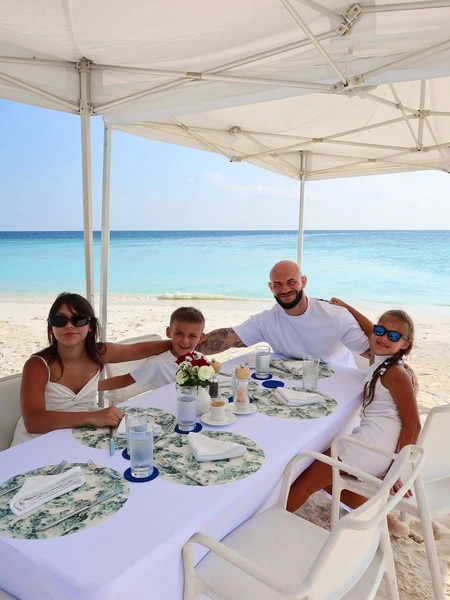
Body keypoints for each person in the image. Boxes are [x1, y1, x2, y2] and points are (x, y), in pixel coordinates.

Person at [286, 309, 420, 537]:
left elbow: (414, 425)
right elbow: (369, 329)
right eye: (380, 331)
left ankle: (274, 520)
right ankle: (386, 521)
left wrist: (395, 471)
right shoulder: (380, 360)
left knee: (307, 478)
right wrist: (345, 307)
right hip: (377, 445)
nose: (383, 338)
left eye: (393, 336)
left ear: (405, 344)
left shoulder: (396, 373)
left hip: (372, 448)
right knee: (328, 480)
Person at [11, 292, 172, 446]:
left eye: (78, 319)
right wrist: (92, 417)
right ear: (51, 326)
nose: (69, 325)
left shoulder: (99, 354)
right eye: (60, 320)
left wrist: (179, 343)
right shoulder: (38, 365)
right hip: (37, 441)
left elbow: (138, 350)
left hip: (78, 434)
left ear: (90, 326)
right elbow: (33, 422)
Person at [196, 260, 370, 368]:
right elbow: (227, 338)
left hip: (340, 383)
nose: (285, 289)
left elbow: (372, 353)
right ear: (271, 287)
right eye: (278, 284)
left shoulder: (336, 316)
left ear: (303, 282)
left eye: (291, 282)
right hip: (293, 386)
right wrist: (184, 345)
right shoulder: (266, 320)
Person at [101, 306, 206, 392]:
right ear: (169, 332)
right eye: (179, 333)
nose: (185, 341)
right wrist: (92, 386)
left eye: (192, 336)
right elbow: (125, 380)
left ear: (201, 338)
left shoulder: (201, 359)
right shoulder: (155, 364)